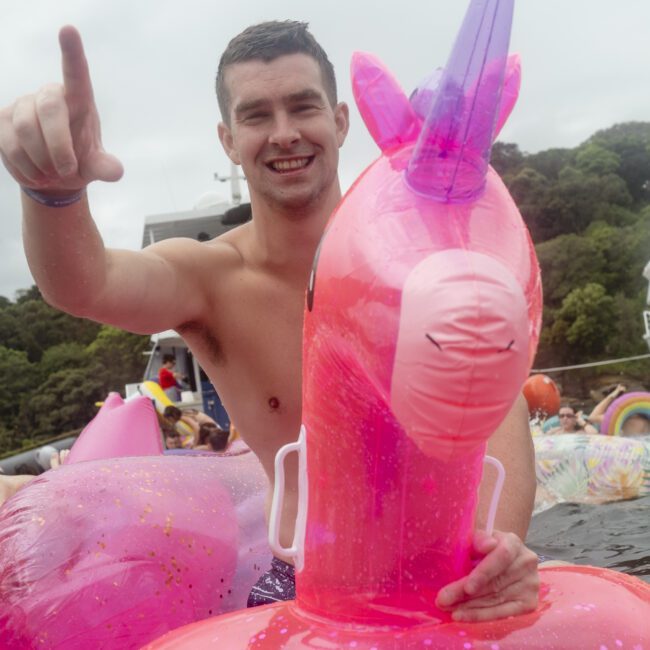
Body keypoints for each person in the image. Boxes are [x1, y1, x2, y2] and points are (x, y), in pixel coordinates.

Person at [0, 21, 539, 621]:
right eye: (257, 116)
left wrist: (502, 550)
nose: (284, 134)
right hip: (305, 589)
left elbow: (497, 393)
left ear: (339, 120)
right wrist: (52, 193)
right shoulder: (213, 280)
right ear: (228, 140)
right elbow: (86, 283)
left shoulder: (423, 261)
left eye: (302, 107)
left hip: (458, 577)